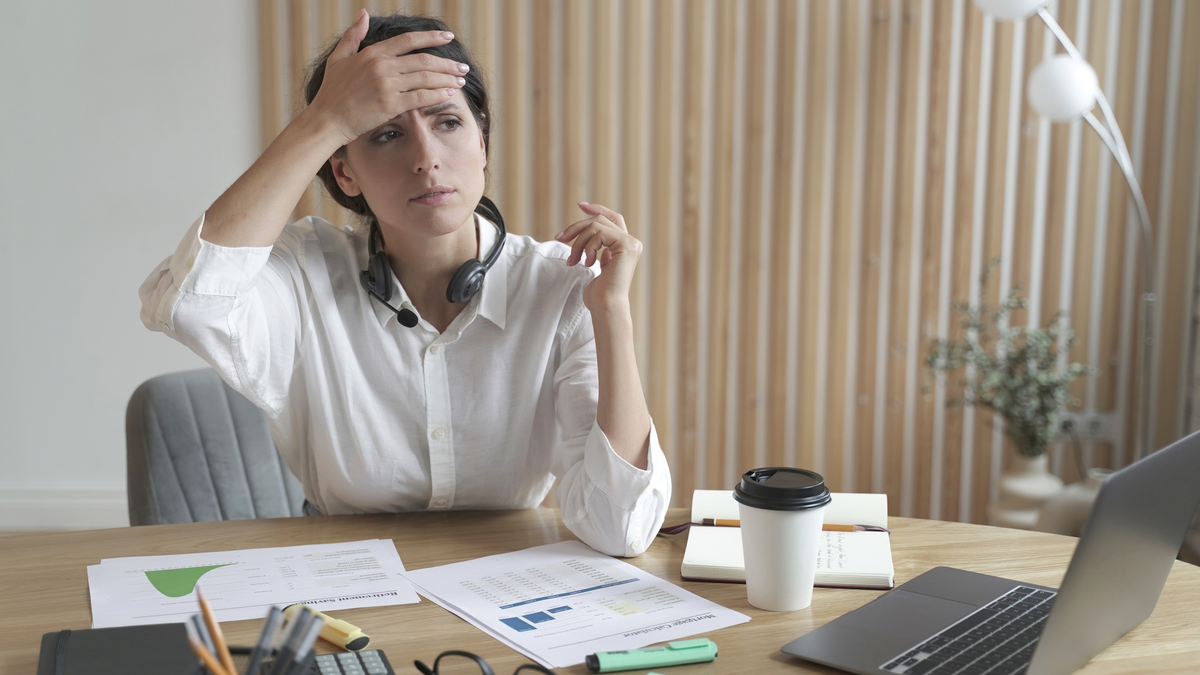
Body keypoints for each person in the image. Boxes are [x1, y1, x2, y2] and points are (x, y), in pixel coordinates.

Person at [139, 11, 670, 557]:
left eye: (447, 123)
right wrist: (324, 122)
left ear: (482, 143)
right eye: (388, 133)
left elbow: (619, 528)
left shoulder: (562, 285)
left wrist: (612, 314)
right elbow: (194, 305)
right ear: (344, 172)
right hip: (343, 579)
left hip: (502, 579)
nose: (426, 159)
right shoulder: (303, 271)